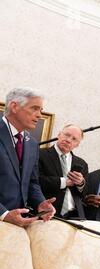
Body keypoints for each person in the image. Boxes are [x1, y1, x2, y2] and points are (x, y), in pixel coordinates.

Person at [0, 88, 56, 227]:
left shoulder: (32, 143)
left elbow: (32, 182)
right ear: (14, 106)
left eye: (41, 110)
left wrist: (40, 202)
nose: (39, 115)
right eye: (34, 109)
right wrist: (4, 214)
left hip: (17, 226)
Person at [39, 124, 88, 219]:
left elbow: (85, 192)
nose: (68, 140)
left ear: (77, 144)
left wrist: (81, 183)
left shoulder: (82, 163)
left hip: (75, 216)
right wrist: (64, 182)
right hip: (46, 213)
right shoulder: (40, 154)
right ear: (59, 135)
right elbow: (36, 181)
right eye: (67, 135)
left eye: (74, 139)